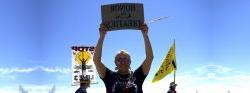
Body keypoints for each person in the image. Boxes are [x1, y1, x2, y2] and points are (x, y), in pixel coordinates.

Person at [93, 23, 154, 93]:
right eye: (119, 59)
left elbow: (150, 57)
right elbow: (96, 60)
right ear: (115, 63)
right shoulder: (109, 76)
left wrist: (145, 35)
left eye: (125, 59)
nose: (122, 61)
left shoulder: (138, 75)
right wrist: (102, 36)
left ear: (130, 61)